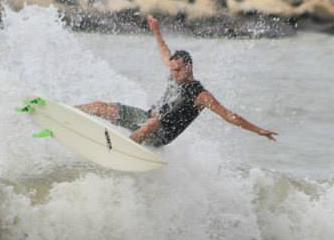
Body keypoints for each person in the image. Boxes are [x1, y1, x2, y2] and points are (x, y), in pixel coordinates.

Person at [78, 15, 279, 147]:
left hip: (161, 134)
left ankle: (121, 150)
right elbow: (165, 51)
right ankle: (61, 109)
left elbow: (229, 115)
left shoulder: (200, 95)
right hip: (147, 118)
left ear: (188, 68)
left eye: (177, 70)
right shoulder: (175, 70)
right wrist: (156, 31)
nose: (173, 73)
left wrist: (259, 130)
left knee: (152, 123)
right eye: (172, 69)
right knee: (100, 106)